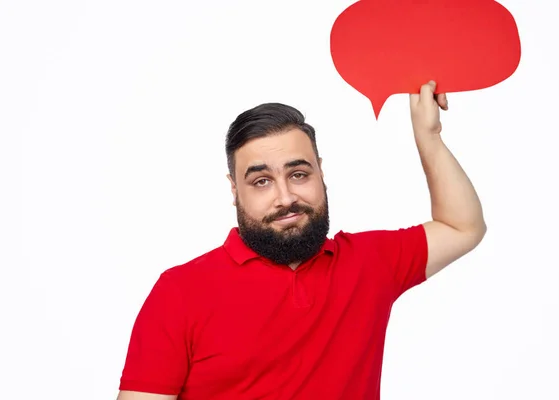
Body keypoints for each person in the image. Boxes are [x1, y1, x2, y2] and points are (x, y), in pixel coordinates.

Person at [116, 81, 487, 400]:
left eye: (298, 173)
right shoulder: (180, 292)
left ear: (321, 172)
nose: (285, 197)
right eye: (261, 181)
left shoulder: (369, 262)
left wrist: (429, 135)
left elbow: (462, 227)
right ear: (234, 190)